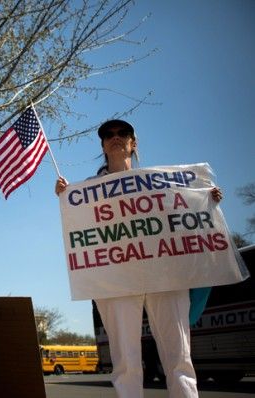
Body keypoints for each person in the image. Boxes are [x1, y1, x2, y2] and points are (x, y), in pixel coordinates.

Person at [54, 119, 223, 398]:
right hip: (116, 281)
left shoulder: (160, 184)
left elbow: (183, 219)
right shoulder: (85, 192)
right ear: (103, 145)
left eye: (123, 133)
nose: (115, 137)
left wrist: (206, 200)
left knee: (179, 355)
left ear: (133, 144)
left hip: (165, 275)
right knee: (125, 362)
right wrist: (65, 196)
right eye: (108, 134)